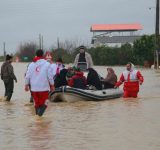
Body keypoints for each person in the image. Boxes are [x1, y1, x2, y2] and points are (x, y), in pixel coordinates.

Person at [25, 49, 55, 117]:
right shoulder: (47, 64)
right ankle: (39, 116)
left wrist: (26, 85)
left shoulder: (31, 64)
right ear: (43, 55)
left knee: (36, 104)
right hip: (43, 88)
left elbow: (27, 76)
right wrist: (52, 85)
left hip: (34, 88)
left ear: (36, 54)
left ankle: (37, 121)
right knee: (46, 102)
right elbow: (50, 76)